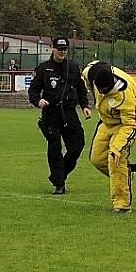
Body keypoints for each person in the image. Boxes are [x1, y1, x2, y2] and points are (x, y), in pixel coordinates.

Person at [29, 37, 91, 195]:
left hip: (69, 113)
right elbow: (33, 91)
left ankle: (60, 174)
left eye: (65, 49)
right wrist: (38, 101)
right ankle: (59, 183)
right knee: (54, 147)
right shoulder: (43, 69)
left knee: (78, 145)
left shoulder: (74, 68)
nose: (62, 52)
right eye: (59, 49)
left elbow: (81, 89)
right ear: (53, 48)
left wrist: (85, 106)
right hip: (51, 113)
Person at [82, 60, 136, 213]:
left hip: (126, 124)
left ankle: (122, 205)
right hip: (106, 121)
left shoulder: (126, 95)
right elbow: (86, 76)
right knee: (97, 159)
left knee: (115, 159)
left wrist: (117, 148)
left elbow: (132, 124)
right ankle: (125, 175)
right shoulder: (91, 73)